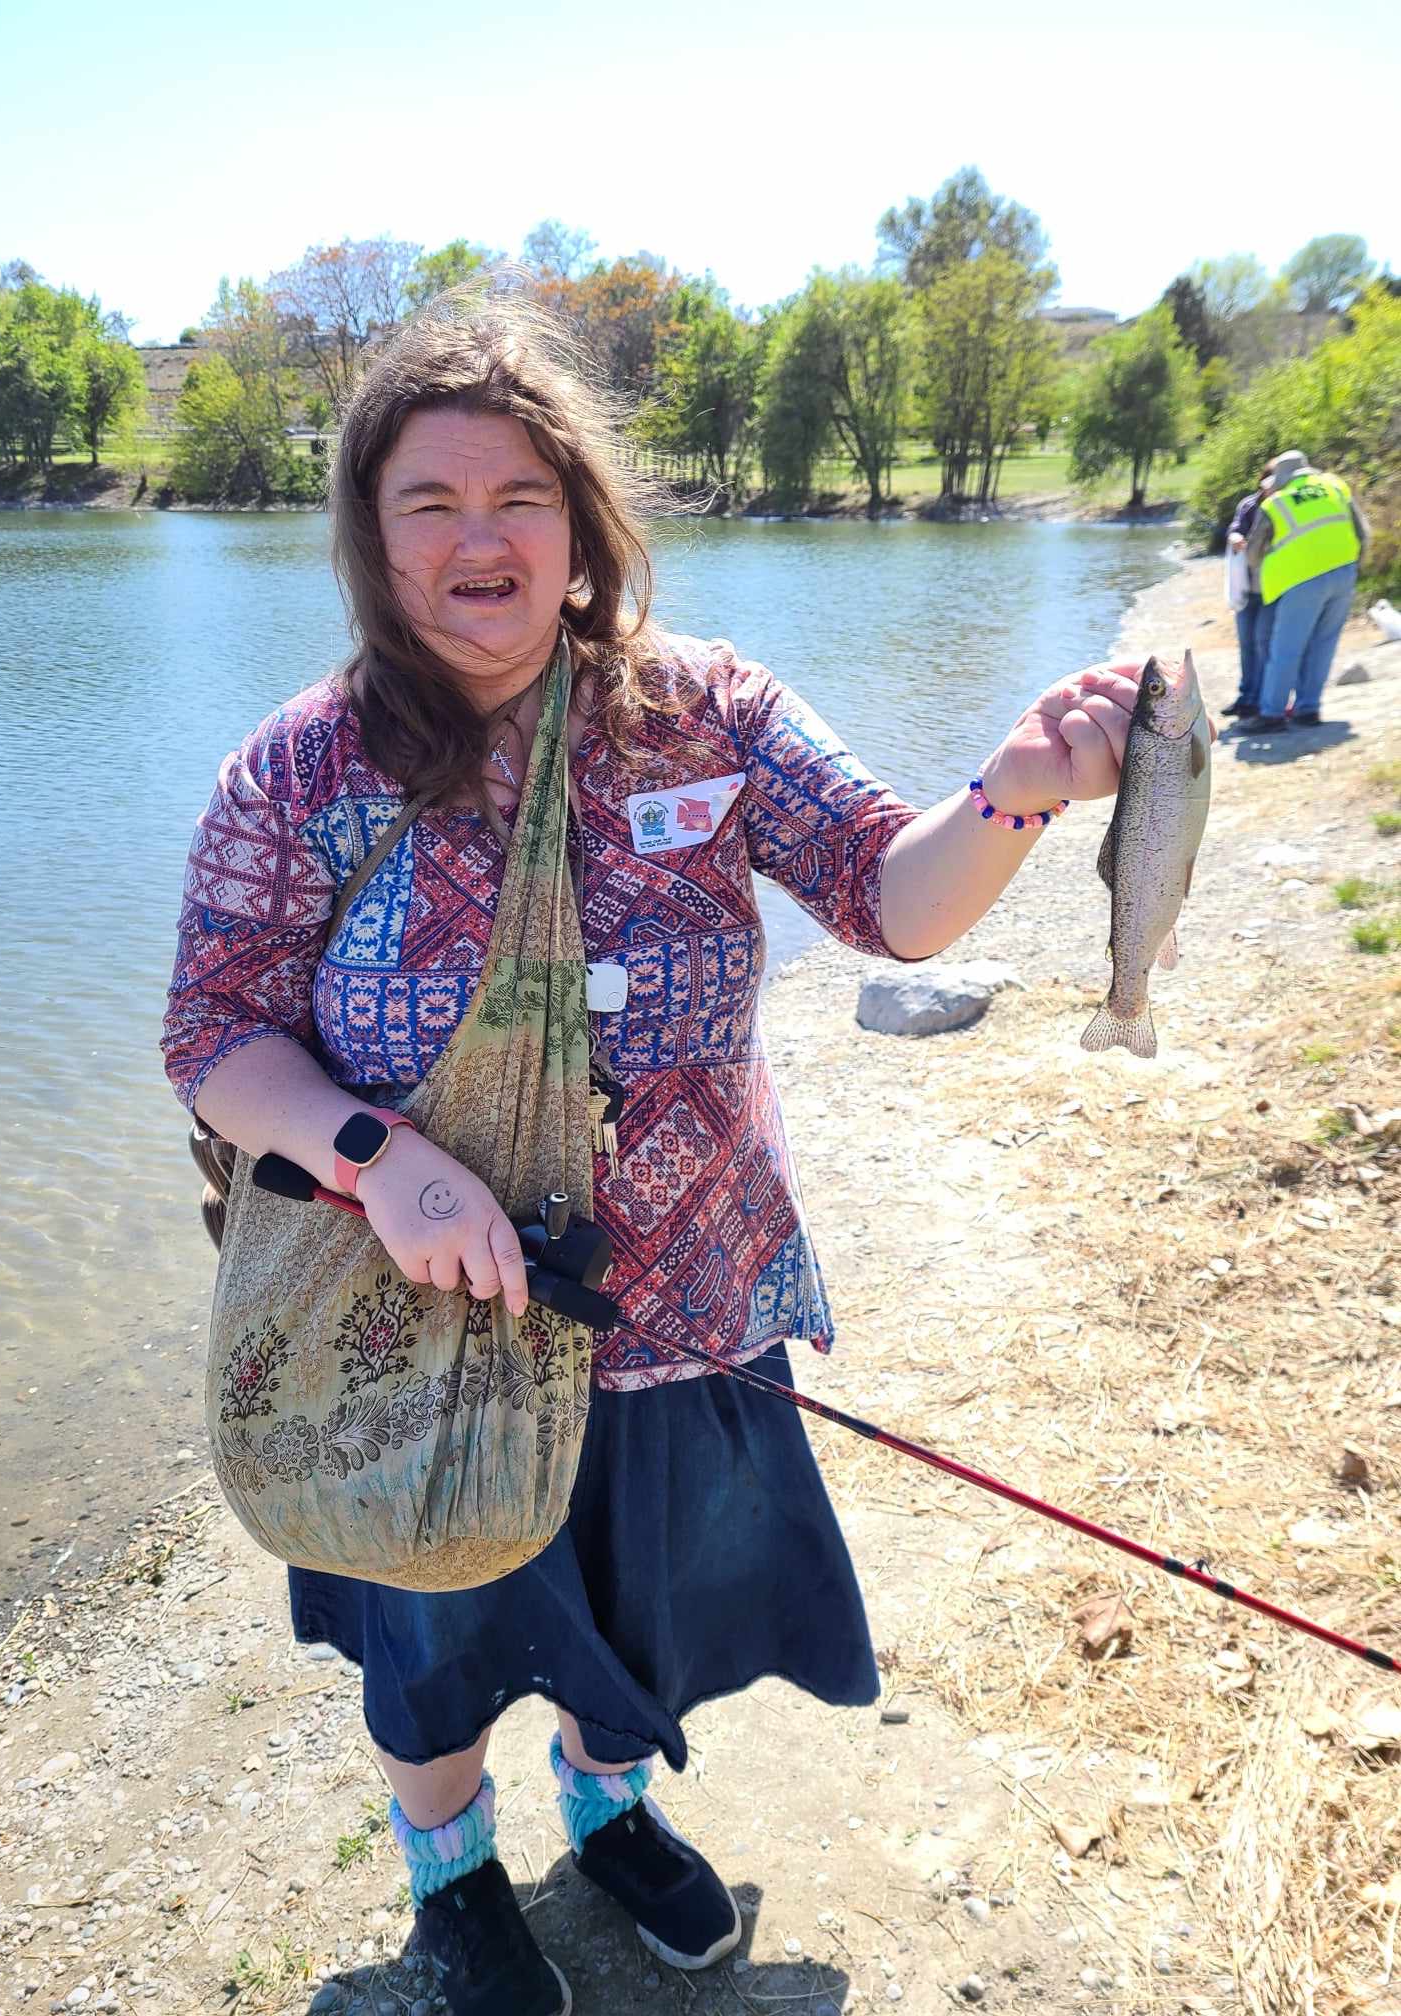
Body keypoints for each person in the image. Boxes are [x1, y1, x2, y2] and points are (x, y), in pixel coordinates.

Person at [160, 292, 1147, 2016]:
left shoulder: (706, 710)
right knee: (436, 1640)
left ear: (582, 519)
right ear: (368, 537)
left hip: (685, 1293)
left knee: (647, 1611)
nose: (483, 540)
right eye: (432, 503)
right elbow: (214, 1032)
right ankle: (452, 1876)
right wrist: (374, 1152)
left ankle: (607, 1814)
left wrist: (1013, 790)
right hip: (431, 1319)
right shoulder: (299, 770)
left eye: (519, 497)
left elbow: (889, 899)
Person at [1247, 447, 1369, 731]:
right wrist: (1352, 567)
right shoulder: (1335, 487)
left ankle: (1272, 714)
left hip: (1300, 581)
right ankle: (1308, 709)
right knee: (1323, 644)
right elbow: (1363, 533)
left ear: (1282, 479)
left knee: (1285, 649)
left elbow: (1253, 553)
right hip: (1344, 573)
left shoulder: (1275, 503)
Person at [1222, 461, 1274, 719]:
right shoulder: (1249, 505)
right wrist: (1235, 539)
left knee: (1263, 644)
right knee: (1246, 644)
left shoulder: (1282, 507)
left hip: (1272, 589)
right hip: (1246, 587)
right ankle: (1246, 697)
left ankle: (1260, 698)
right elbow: (1235, 529)